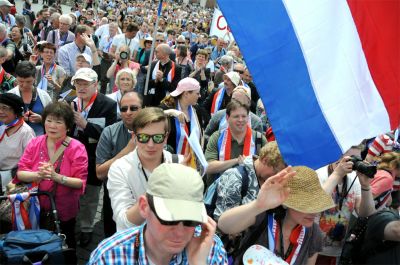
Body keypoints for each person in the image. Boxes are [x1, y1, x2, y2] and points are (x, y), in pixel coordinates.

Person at [88, 163, 228, 265]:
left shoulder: (210, 248)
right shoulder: (109, 257)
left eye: (190, 220)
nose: (179, 232)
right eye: (169, 220)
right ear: (144, 207)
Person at [218, 166, 334, 265]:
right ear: (288, 203)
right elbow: (224, 226)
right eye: (307, 205)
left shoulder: (313, 232)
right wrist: (258, 205)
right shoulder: (265, 215)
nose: (314, 212)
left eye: (316, 205)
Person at [17, 101, 88, 251]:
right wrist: (38, 175)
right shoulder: (35, 143)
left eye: (58, 122)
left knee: (65, 245)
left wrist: (56, 177)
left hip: (63, 209)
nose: (52, 125)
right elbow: (21, 173)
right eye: (49, 120)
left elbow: (80, 183)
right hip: (34, 208)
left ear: (68, 126)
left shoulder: (77, 148)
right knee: (37, 246)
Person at [107, 107, 184, 231]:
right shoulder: (120, 168)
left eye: (157, 138)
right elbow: (124, 221)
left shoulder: (179, 163)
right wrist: (160, 184)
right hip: (134, 243)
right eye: (143, 137)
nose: (150, 144)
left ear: (166, 138)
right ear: (134, 137)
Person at [70, 67, 117, 246]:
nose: (81, 88)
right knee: (70, 192)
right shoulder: (69, 101)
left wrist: (85, 124)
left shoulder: (108, 104)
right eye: (78, 83)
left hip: (93, 157)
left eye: (85, 84)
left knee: (90, 196)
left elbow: (108, 134)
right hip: (71, 156)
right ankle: (71, 222)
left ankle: (87, 228)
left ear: (95, 85)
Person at [96, 91, 143, 237]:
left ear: (144, 108)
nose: (128, 112)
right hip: (115, 199)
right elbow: (100, 173)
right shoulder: (109, 132)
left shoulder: (154, 133)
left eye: (133, 108)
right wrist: (127, 150)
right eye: (124, 109)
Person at [205, 100, 266, 176]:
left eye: (244, 116)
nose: (240, 120)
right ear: (227, 118)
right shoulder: (217, 137)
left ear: (248, 118)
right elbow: (208, 167)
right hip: (220, 186)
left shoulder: (259, 139)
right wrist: (236, 161)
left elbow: (268, 167)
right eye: (236, 116)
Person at [159, 77, 204, 159]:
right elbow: (151, 116)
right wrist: (169, 113)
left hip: (191, 160)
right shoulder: (166, 107)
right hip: (171, 159)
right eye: (197, 93)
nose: (200, 96)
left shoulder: (197, 110)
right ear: (186, 94)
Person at [0, 93, 35, 194]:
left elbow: (30, 162)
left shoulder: (26, 132)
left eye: (5, 108)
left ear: (15, 111)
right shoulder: (2, 126)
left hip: (14, 180)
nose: (1, 111)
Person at [8, 61, 52, 136]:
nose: (24, 85)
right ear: (16, 77)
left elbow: (53, 118)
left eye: (28, 81)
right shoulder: (9, 96)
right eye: (21, 81)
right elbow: (3, 120)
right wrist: (18, 119)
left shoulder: (44, 96)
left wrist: (42, 119)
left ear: (34, 78)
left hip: (39, 140)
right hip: (15, 140)